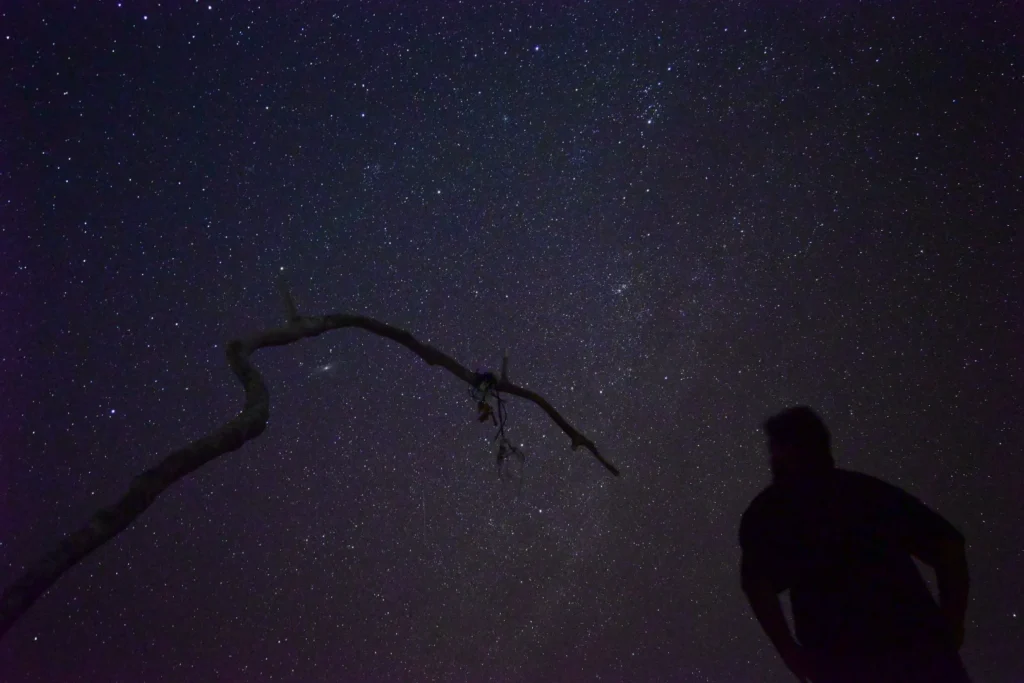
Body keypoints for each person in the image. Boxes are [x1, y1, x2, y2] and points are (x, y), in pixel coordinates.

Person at [739, 406, 971, 682]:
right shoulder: (867, 493)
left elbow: (757, 584)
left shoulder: (770, 511)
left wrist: (790, 652)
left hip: (842, 660)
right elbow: (948, 546)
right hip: (921, 652)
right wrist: (951, 626)